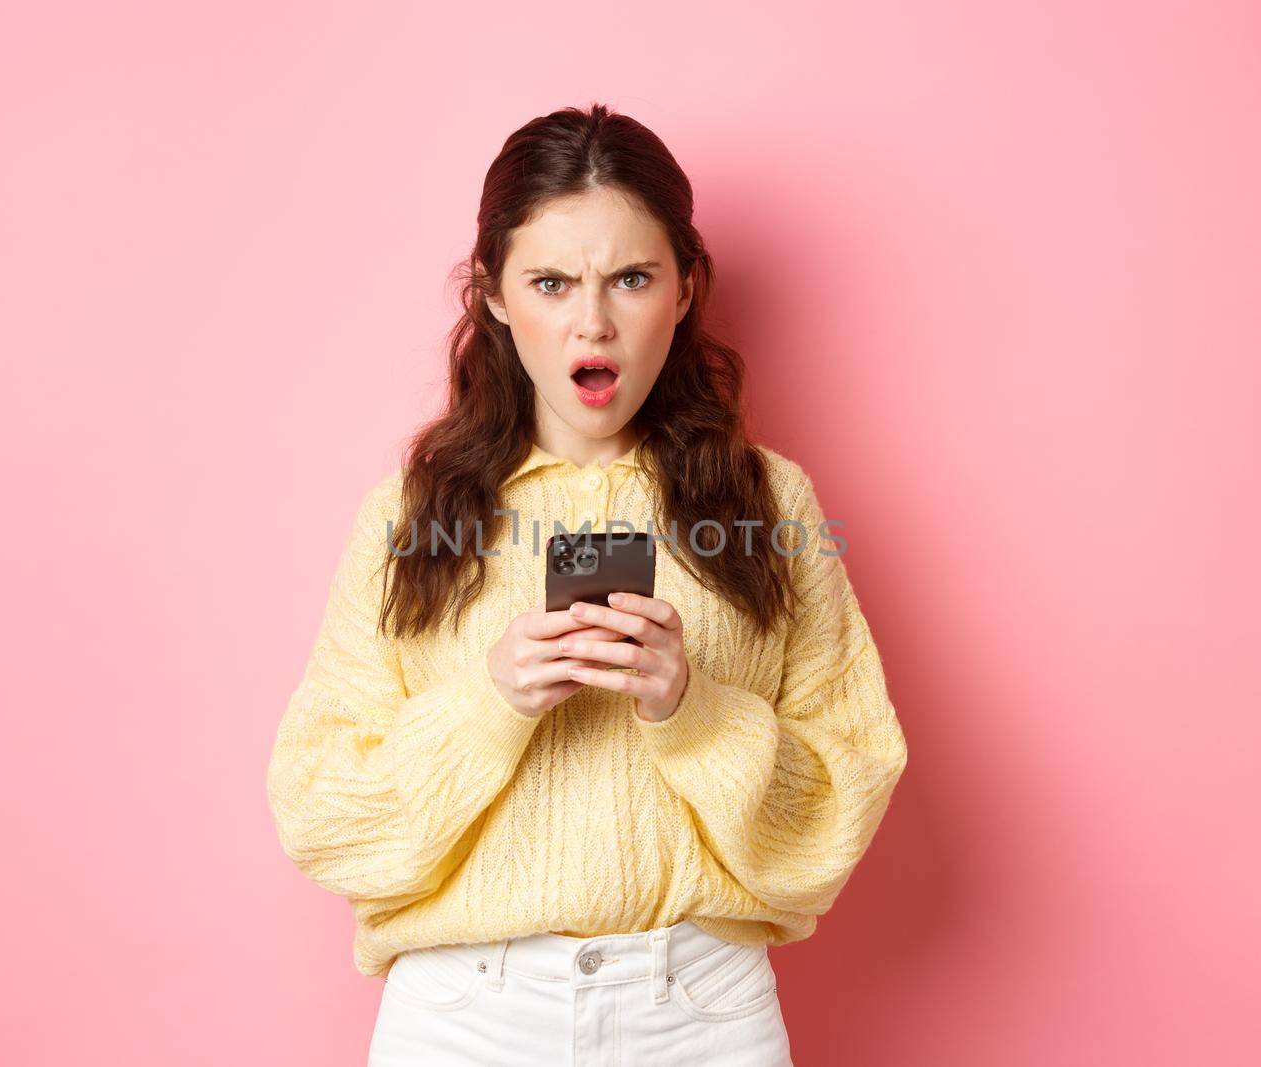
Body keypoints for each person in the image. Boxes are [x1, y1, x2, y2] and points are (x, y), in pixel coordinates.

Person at [265, 102, 909, 1066]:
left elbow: (840, 805)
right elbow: (322, 813)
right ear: (491, 291)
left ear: (686, 288)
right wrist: (492, 701)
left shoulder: (771, 503)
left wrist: (693, 709)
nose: (592, 320)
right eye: (552, 281)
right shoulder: (409, 515)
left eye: (633, 278)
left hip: (700, 1013)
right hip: (462, 1018)